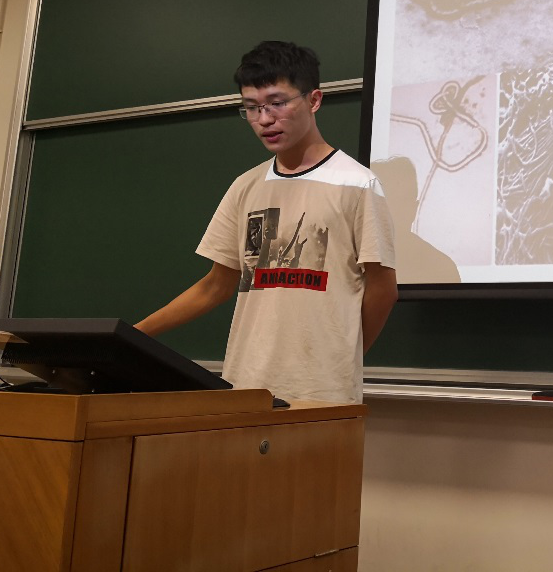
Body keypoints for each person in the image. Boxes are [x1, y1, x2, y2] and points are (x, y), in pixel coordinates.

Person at [135, 41, 397, 403]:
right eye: (252, 107)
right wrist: (134, 334)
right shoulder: (246, 186)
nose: (264, 119)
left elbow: (383, 289)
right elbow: (215, 286)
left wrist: (342, 358)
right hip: (244, 386)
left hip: (321, 394)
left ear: (314, 100)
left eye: (277, 103)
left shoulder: (358, 184)